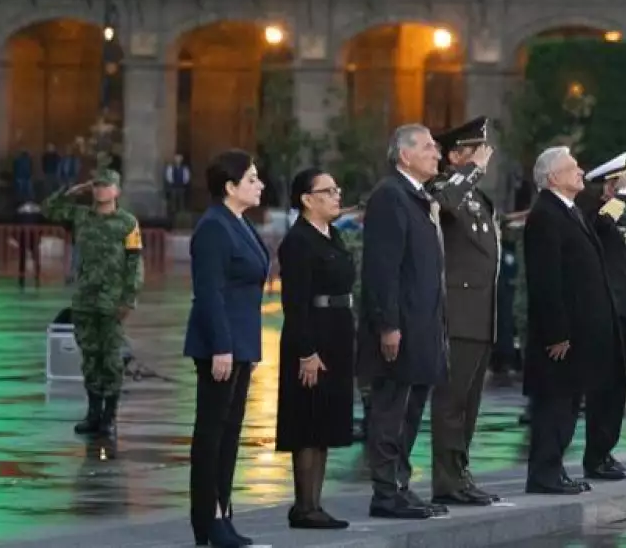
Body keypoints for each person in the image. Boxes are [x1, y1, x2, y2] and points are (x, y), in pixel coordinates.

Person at [358, 125, 449, 520]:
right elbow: (383, 268)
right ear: (404, 155)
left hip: (423, 324)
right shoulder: (390, 196)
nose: (437, 153)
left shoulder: (416, 196)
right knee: (390, 409)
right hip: (401, 327)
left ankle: (400, 483)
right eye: (428, 147)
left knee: (411, 410)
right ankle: (385, 491)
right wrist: (388, 324)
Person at [184, 150, 270, 547]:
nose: (260, 185)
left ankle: (223, 513)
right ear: (230, 187)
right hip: (221, 346)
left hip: (241, 345)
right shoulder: (214, 227)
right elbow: (209, 293)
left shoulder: (238, 223)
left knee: (230, 433)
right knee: (212, 434)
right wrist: (221, 346)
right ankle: (208, 518)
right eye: (252, 178)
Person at [523, 146, 617, 495]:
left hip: (580, 332)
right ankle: (544, 472)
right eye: (572, 167)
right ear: (553, 178)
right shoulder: (545, 215)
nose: (581, 171)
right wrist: (557, 331)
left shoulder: (570, 211)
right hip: (560, 335)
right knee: (554, 403)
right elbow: (546, 278)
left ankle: (555, 468)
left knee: (568, 403)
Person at [428, 117, 500, 507]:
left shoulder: (477, 196)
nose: (483, 159)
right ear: (455, 156)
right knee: (452, 403)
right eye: (475, 151)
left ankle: (460, 473)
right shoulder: (443, 187)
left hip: (479, 313)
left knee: (469, 405)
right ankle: (446, 479)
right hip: (458, 312)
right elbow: (444, 205)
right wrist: (470, 171)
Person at [277, 168, 354, 531]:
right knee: (307, 421)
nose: (337, 195)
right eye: (329, 190)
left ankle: (314, 503)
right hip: (312, 336)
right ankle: (304, 506)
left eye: (337, 189)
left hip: (337, 333)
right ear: (308, 199)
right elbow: (295, 303)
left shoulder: (333, 235)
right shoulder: (299, 242)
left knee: (324, 422)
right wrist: (306, 351)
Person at [44, 169, 143, 439]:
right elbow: (50, 209)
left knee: (110, 359)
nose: (100, 190)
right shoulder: (81, 217)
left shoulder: (127, 223)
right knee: (89, 358)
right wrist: (71, 190)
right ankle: (93, 413)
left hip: (112, 302)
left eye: (106, 186)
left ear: (116, 191)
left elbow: (135, 263)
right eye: (96, 185)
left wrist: (128, 298)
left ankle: (109, 418)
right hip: (85, 300)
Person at [577, 151, 626, 481]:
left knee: (619, 387)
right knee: (603, 387)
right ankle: (596, 455)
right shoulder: (593, 215)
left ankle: (606, 450)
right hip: (604, 313)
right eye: (622, 183)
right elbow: (601, 224)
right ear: (608, 187)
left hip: (624, 312)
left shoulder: (623, 221)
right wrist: (621, 195)